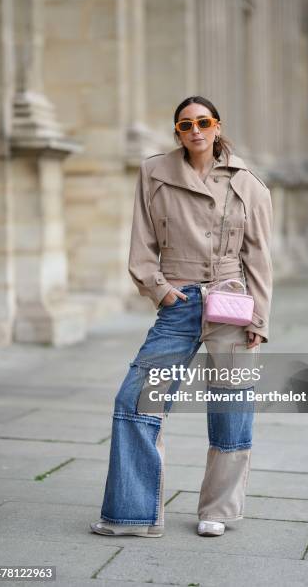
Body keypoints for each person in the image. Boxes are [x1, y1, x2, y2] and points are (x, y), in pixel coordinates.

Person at [90, 95, 273, 538]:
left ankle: (220, 511)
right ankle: (132, 514)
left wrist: (259, 320)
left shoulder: (248, 183)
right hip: (180, 300)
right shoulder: (154, 172)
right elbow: (142, 241)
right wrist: (161, 291)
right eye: (185, 124)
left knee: (232, 408)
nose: (195, 130)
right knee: (135, 400)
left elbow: (260, 257)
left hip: (231, 302)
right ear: (177, 131)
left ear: (216, 126)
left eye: (203, 122)